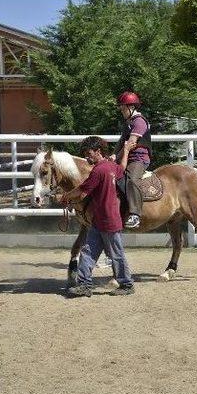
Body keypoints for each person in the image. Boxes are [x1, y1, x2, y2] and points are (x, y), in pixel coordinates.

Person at [61, 136, 135, 297]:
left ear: (98, 151)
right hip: (101, 220)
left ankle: (127, 284)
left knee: (116, 253)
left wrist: (66, 196)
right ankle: (84, 284)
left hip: (106, 220)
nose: (87, 157)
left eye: (89, 153)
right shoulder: (111, 166)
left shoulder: (98, 170)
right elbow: (122, 168)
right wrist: (127, 151)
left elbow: (82, 190)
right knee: (88, 252)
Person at [109, 91, 151, 229]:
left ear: (131, 107)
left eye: (122, 107)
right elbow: (121, 142)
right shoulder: (128, 122)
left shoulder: (139, 122)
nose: (121, 110)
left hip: (139, 158)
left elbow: (130, 144)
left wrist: (118, 156)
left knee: (131, 179)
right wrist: (113, 155)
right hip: (127, 156)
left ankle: (135, 214)